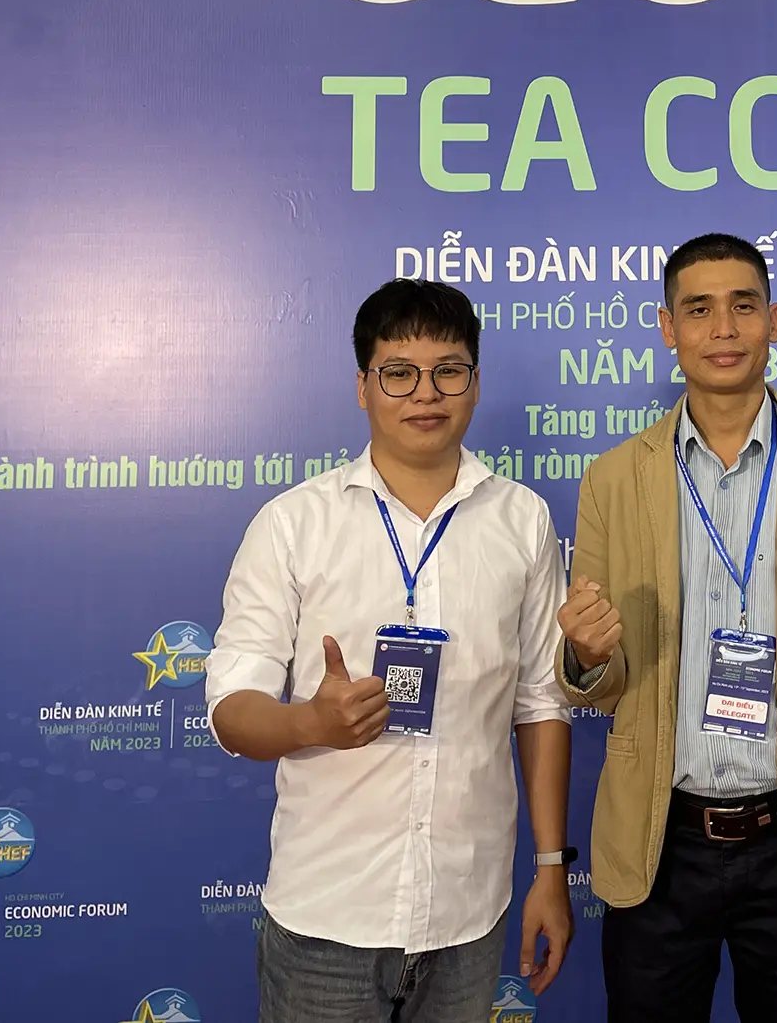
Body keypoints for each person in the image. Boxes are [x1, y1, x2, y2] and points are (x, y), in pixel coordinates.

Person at [558, 233, 777, 1023]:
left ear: (774, 321)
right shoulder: (614, 478)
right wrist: (586, 654)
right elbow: (603, 685)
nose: (723, 328)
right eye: (699, 309)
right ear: (667, 327)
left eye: (743, 305)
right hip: (660, 843)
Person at [205, 279, 574, 1023]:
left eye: (448, 370)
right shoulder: (292, 524)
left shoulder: (523, 520)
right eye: (399, 372)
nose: (425, 393)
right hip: (327, 916)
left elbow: (541, 701)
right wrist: (310, 722)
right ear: (363, 387)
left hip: (469, 913)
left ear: (475, 382)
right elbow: (231, 710)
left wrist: (549, 868)